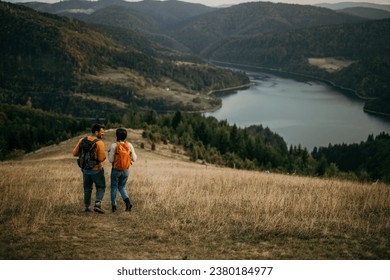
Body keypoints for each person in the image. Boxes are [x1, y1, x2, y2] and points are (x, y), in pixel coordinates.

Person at [72, 123, 106, 214]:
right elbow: (101, 158)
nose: (103, 134)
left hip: (85, 170)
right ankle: (97, 204)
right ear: (96, 132)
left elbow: (74, 153)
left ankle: (86, 207)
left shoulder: (82, 140)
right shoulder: (99, 143)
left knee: (87, 189)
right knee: (101, 187)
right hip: (97, 170)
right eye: (101, 132)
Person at [108, 128, 137, 213]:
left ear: (117, 135)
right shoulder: (129, 145)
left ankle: (114, 206)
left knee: (114, 187)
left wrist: (109, 153)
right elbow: (134, 159)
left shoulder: (114, 145)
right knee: (122, 187)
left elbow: (111, 160)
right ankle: (128, 202)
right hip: (126, 170)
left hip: (116, 170)